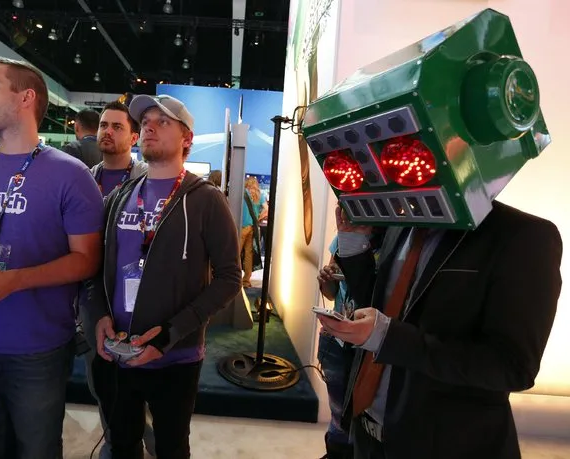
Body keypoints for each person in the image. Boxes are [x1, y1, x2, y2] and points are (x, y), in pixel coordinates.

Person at [309, 10, 561, 459]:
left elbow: (511, 366)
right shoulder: (405, 219)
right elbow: (376, 305)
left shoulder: (525, 239)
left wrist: (391, 338)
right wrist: (354, 243)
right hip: (368, 432)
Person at [0, 57, 104, 459]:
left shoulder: (71, 175)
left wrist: (14, 280)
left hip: (38, 349)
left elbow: (86, 261)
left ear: (26, 97)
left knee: (37, 450)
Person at [83, 94, 241, 459]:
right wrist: (98, 317)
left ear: (187, 138)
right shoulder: (121, 196)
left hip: (176, 358)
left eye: (163, 121)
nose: (150, 126)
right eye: (147, 121)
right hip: (117, 351)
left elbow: (230, 277)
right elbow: (91, 268)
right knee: (122, 444)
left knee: (170, 448)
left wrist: (171, 333)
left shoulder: (205, 200)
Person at [80, 100, 153, 458]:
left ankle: (141, 437)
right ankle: (117, 442)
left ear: (134, 136)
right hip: (92, 293)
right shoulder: (83, 179)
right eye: (103, 125)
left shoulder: (148, 180)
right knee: (103, 380)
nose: (106, 132)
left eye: (117, 126)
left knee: (143, 383)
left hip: (136, 296)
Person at [316, 235, 353, 459]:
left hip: (369, 344)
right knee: (338, 418)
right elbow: (331, 293)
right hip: (336, 341)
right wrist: (325, 279)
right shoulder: (342, 237)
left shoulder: (395, 237)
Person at [239, 176, 267, 288]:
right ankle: (246, 280)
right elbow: (267, 209)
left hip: (242, 227)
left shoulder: (243, 193)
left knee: (236, 252)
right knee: (248, 254)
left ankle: (234, 278)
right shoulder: (260, 196)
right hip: (253, 228)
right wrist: (258, 218)